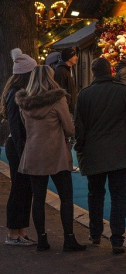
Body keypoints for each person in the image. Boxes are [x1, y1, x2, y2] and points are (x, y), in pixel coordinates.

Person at [74, 58, 126, 254]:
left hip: (94, 152)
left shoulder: (85, 95)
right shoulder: (123, 91)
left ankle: (95, 234)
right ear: (110, 71)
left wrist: (80, 148)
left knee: (95, 194)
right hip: (119, 151)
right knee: (118, 195)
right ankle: (117, 239)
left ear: (93, 73)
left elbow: (78, 126)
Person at [15, 65, 85, 252]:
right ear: (50, 78)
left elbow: (25, 127)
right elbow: (70, 129)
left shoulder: (24, 103)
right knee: (66, 197)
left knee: (38, 198)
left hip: (33, 154)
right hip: (56, 155)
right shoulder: (58, 100)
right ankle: (69, 239)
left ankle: (42, 239)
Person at [3, 49, 36, 246]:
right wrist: (23, 150)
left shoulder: (15, 92)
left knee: (24, 189)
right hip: (18, 148)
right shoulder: (16, 94)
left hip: (19, 147)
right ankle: (13, 233)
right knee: (19, 189)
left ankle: (19, 231)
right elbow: (16, 127)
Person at [53, 47, 78, 115]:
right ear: (69, 58)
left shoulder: (69, 69)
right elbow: (60, 89)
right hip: (66, 108)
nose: (76, 57)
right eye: (74, 56)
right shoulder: (61, 71)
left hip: (70, 107)